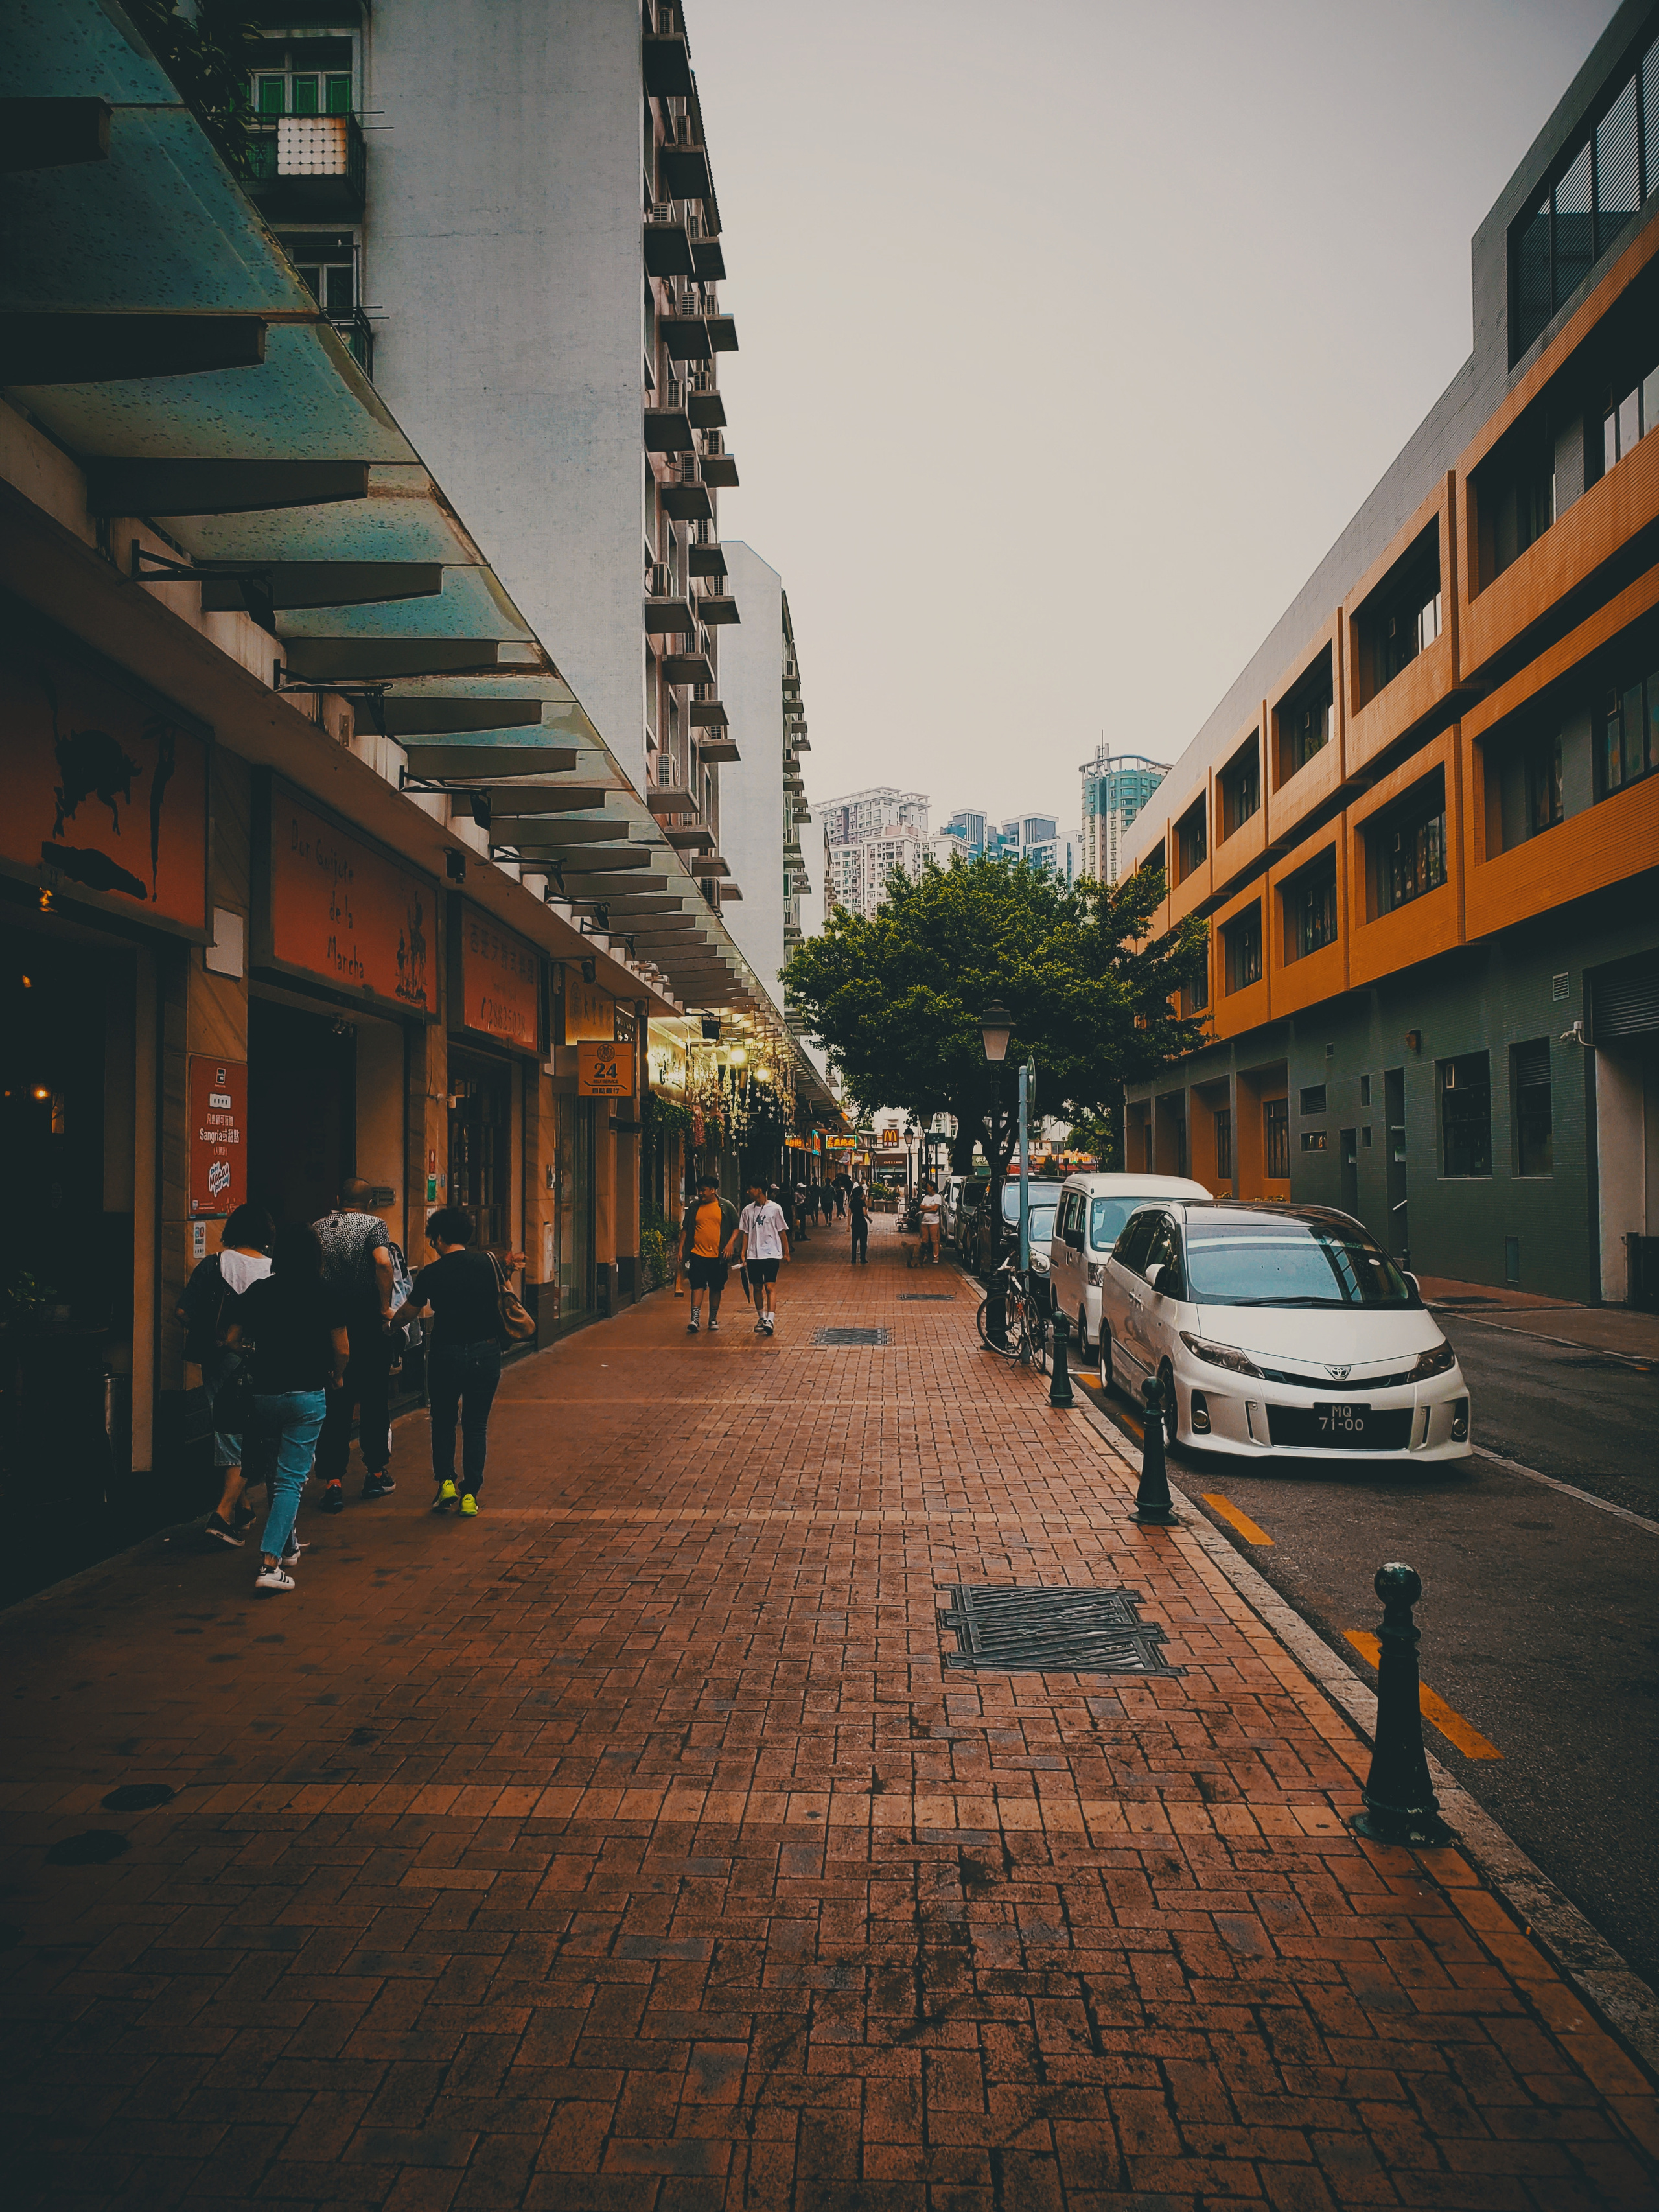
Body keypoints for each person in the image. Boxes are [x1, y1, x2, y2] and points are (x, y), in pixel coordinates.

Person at [226, 1223, 348, 1594]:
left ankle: (288, 1544)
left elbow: (231, 1338)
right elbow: (342, 1348)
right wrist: (338, 1377)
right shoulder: (326, 1291)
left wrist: (252, 1353)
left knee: (277, 1475)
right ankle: (269, 1562)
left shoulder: (261, 1290)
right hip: (307, 1393)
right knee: (292, 1479)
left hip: (264, 1394)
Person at [176, 1204, 274, 1547]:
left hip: (219, 1358)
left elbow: (183, 1311)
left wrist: (212, 1336)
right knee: (245, 1432)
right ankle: (222, 1513)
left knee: (228, 1426)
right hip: (261, 1357)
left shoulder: (214, 1264)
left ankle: (242, 1508)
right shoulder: (274, 1270)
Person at [395, 1207, 502, 1517]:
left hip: (446, 1353)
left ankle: (446, 1484)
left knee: (443, 1420)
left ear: (440, 1237)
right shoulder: (488, 1263)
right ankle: (471, 1495)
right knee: (476, 1424)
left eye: (432, 1238)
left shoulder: (432, 1273)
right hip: (486, 1351)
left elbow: (409, 1312)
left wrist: (390, 1324)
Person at [312, 1179, 397, 1511]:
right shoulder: (375, 1225)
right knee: (375, 1398)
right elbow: (382, 1261)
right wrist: (385, 1305)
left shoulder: (317, 1227)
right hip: (367, 1323)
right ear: (370, 1202)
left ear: (338, 1198)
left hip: (330, 1322)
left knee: (336, 1401)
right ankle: (376, 1473)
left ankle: (333, 1480)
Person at [679, 1174, 738, 1333]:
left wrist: (730, 1244)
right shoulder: (694, 1207)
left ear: (713, 1190)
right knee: (697, 1285)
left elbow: (736, 1227)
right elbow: (685, 1229)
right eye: (699, 1191)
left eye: (704, 1191)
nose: (701, 1194)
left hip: (718, 1257)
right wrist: (681, 1250)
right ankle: (695, 1319)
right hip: (697, 1254)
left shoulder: (725, 1207)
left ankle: (713, 1318)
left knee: (716, 1287)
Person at [736, 1179, 791, 1336]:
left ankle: (771, 1319)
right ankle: (762, 1318)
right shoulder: (747, 1211)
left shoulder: (775, 1208)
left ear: (759, 1189)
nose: (748, 1192)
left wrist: (786, 1253)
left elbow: (782, 1231)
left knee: (769, 1287)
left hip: (771, 1254)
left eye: (751, 1188)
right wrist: (743, 1252)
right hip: (753, 1255)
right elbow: (745, 1233)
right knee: (757, 1287)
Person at [919, 1182, 942, 1266]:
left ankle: (936, 1257)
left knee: (935, 1240)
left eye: (928, 1187)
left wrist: (924, 1210)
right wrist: (930, 1207)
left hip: (934, 1222)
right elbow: (921, 1206)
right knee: (924, 1240)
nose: (927, 1189)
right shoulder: (926, 1197)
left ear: (932, 1187)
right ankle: (924, 1256)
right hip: (925, 1221)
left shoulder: (938, 1197)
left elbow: (935, 1209)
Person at [848, 1179, 869, 1266]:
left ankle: (853, 1259)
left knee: (854, 1241)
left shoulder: (851, 1203)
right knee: (863, 1242)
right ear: (861, 1194)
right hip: (862, 1224)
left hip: (854, 1223)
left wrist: (848, 1226)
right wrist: (870, 1219)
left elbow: (849, 1215)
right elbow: (865, 1213)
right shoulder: (862, 1203)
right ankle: (862, 1258)